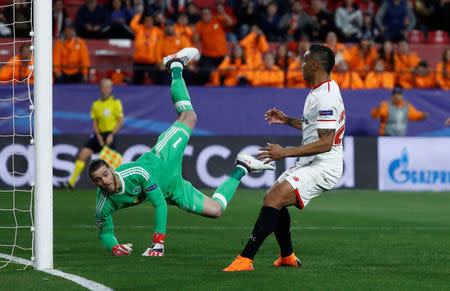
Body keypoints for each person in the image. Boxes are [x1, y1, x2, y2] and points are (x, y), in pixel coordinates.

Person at [88, 48, 275, 257]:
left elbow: (158, 204)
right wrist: (114, 246)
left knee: (189, 116)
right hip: (173, 188)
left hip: (164, 158)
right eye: (98, 179)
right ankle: (242, 167)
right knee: (216, 211)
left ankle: (175, 66)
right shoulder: (103, 205)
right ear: (94, 183)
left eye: (105, 174)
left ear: (111, 170)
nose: (104, 181)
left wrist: (158, 243)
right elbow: (105, 233)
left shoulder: (135, 173)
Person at [223, 44, 346, 271]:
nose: (301, 65)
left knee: (275, 198)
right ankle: (287, 257)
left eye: (305, 61)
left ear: (316, 64)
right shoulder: (318, 91)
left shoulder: (326, 96)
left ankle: (245, 259)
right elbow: (313, 128)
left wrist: (285, 152)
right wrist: (287, 120)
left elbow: (326, 143)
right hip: (312, 160)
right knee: (272, 197)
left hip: (325, 164)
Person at [61, 78, 123, 189]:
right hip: (98, 135)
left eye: (107, 87)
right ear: (100, 89)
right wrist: (98, 135)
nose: (105, 90)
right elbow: (95, 122)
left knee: (109, 164)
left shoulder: (115, 103)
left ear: (111, 89)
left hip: (110, 135)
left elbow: (120, 122)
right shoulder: (96, 104)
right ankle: (71, 182)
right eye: (103, 87)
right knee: (82, 154)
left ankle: (116, 184)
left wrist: (112, 135)